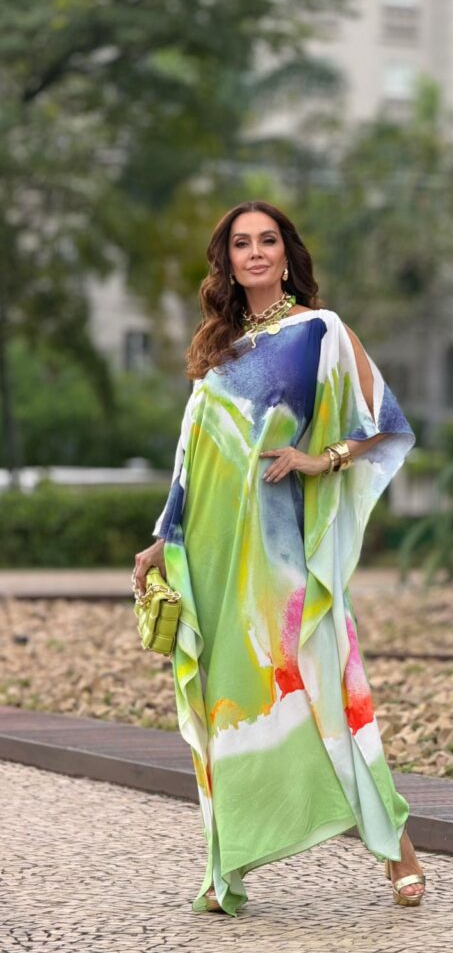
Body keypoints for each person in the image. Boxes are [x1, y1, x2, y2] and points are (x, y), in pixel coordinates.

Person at [133, 199, 426, 916]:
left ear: (288, 257)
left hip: (280, 554)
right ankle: (226, 869)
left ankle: (399, 852)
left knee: (325, 682)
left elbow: (383, 422)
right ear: (228, 261)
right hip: (208, 550)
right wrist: (162, 536)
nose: (256, 252)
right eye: (242, 243)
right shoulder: (219, 347)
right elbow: (191, 457)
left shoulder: (319, 331)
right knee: (226, 704)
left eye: (268, 241)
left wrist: (320, 459)